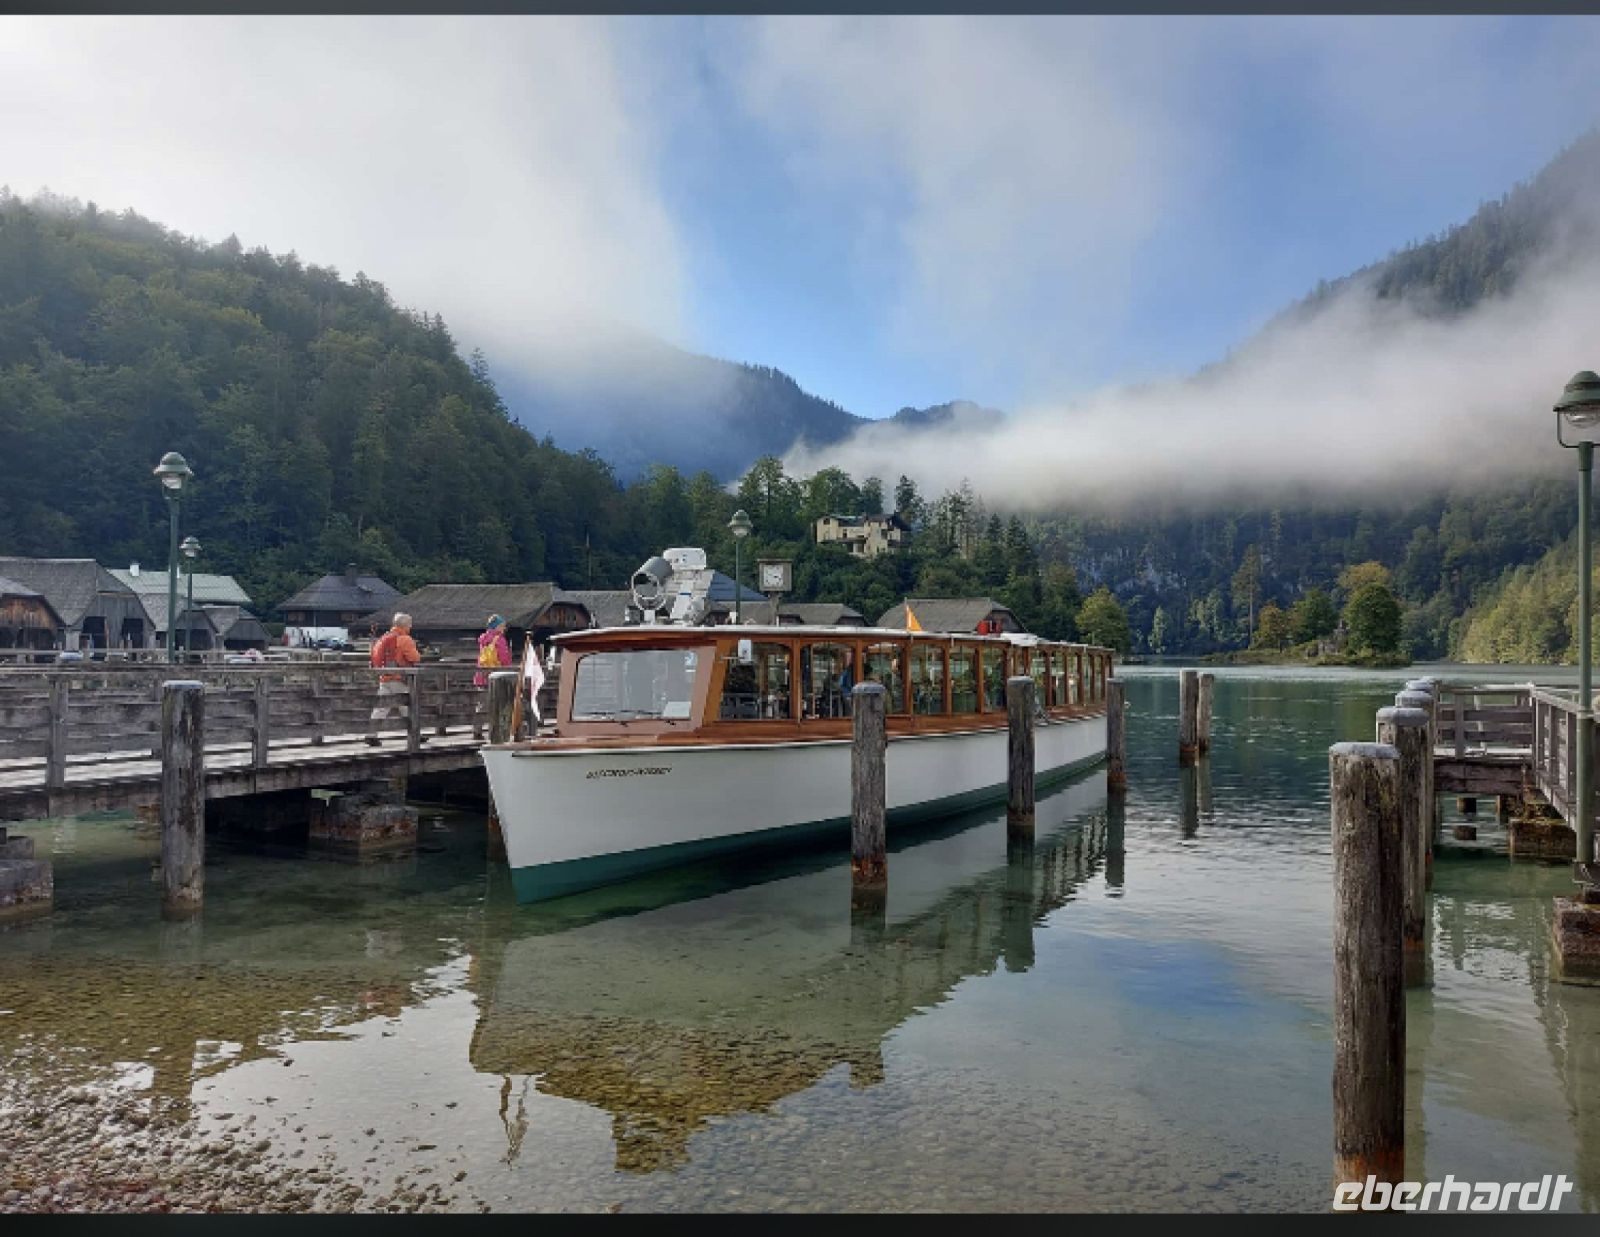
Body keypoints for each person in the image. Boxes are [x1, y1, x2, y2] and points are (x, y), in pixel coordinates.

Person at [366, 612, 421, 746]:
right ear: (406, 625)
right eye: (410, 624)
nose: (411, 627)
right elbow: (415, 658)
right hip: (399, 678)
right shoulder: (404, 639)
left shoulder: (383, 638)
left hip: (384, 677)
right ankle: (415, 734)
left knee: (381, 707)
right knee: (409, 706)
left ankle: (371, 734)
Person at [474, 614, 512, 689]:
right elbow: (503, 657)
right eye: (502, 626)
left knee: (482, 698)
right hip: (496, 675)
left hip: (482, 674)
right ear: (496, 626)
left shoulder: (484, 638)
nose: (504, 628)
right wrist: (508, 667)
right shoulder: (499, 639)